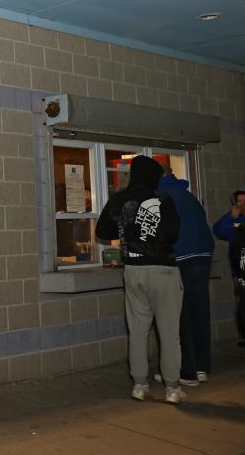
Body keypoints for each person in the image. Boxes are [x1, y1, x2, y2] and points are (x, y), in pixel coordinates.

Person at [96, 155, 183, 403]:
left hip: (133, 269)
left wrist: (125, 226)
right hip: (163, 271)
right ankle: (173, 388)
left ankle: (139, 385)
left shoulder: (119, 199)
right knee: (169, 332)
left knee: (137, 331)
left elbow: (103, 231)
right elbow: (174, 234)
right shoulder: (163, 199)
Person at [158, 170, 213, 385]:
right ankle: (201, 367)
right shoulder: (187, 194)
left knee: (181, 317)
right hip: (203, 256)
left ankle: (187, 371)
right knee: (199, 313)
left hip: (182, 258)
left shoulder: (162, 197)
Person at [213, 190, 245, 347]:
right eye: (240, 201)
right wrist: (231, 217)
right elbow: (219, 231)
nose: (243, 204)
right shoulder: (234, 218)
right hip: (239, 271)